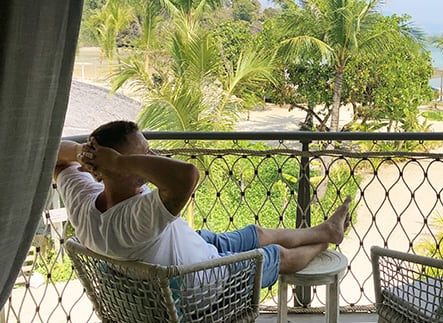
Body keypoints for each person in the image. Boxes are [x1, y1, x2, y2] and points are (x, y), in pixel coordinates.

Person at [54, 120, 351, 288]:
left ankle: (326, 230)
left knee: (256, 233)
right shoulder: (134, 219)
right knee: (276, 255)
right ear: (118, 165)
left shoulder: (84, 200)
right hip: (203, 281)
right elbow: (187, 176)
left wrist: (84, 152)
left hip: (194, 248)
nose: (153, 157)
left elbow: (54, 157)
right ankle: (324, 244)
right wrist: (119, 161)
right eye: (144, 154)